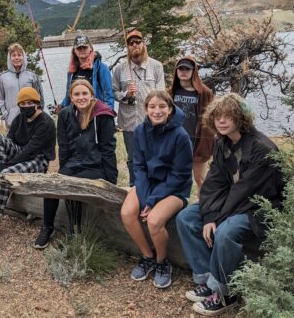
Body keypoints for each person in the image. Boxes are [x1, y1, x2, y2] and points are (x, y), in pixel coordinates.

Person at [176, 94, 284, 316]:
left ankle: (226, 292)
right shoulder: (222, 142)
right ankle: (209, 278)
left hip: (261, 207)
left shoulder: (262, 149)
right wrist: (209, 216)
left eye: (228, 116)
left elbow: (246, 191)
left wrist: (216, 218)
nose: (221, 121)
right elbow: (214, 181)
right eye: (217, 117)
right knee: (186, 218)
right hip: (233, 201)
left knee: (225, 232)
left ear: (241, 118)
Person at [120, 90, 192, 289]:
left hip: (175, 188)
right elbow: (139, 166)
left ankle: (162, 262)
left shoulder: (181, 136)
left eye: (162, 107)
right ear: (146, 109)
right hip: (148, 182)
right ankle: (148, 256)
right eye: (152, 106)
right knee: (127, 213)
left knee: (153, 220)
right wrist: (145, 196)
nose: (157, 111)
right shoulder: (140, 130)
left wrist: (152, 200)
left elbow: (179, 175)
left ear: (170, 109)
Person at [34, 80, 117, 249]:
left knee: (73, 185)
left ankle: (74, 233)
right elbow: (63, 146)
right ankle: (47, 227)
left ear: (92, 95)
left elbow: (108, 148)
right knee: (54, 184)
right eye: (77, 94)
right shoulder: (65, 114)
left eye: (84, 93)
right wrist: (63, 171)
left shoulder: (103, 115)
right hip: (74, 162)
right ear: (71, 97)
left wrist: (111, 179)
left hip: (96, 166)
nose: (81, 97)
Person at [0, 87, 56, 247]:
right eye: (23, 103)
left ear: (37, 103)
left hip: (38, 159)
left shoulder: (46, 122)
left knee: (5, 174)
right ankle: (5, 183)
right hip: (20, 155)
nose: (26, 106)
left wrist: (0, 169)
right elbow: (10, 139)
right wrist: (1, 165)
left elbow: (30, 151)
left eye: (30, 103)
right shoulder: (20, 118)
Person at [112, 30, 165, 186]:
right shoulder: (120, 69)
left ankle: (154, 185)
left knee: (153, 156)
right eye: (130, 43)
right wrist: (126, 94)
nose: (134, 45)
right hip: (129, 122)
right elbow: (114, 92)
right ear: (127, 47)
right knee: (132, 157)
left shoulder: (156, 66)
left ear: (143, 44)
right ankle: (134, 186)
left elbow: (161, 93)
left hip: (151, 121)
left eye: (137, 42)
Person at [169, 56, 214, 189]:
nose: (183, 72)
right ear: (176, 71)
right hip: (177, 141)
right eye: (181, 68)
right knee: (178, 177)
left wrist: (209, 140)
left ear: (193, 71)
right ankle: (178, 206)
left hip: (197, 141)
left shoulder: (204, 92)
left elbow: (211, 118)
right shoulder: (171, 92)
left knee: (200, 179)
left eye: (187, 69)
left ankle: (203, 207)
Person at [0, 43, 44, 129]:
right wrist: (5, 115)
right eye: (13, 55)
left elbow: (39, 98)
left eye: (19, 55)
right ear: (9, 58)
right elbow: (0, 99)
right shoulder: (2, 78)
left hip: (31, 120)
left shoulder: (32, 76)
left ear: (23, 56)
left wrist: (37, 113)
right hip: (11, 122)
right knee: (12, 142)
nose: (17, 58)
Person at [59, 34, 114, 110]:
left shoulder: (101, 68)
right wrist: (62, 107)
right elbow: (69, 94)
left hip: (96, 112)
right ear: (74, 51)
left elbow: (109, 94)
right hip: (75, 114)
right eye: (79, 48)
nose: (82, 50)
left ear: (90, 48)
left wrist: (108, 113)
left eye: (84, 47)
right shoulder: (71, 70)